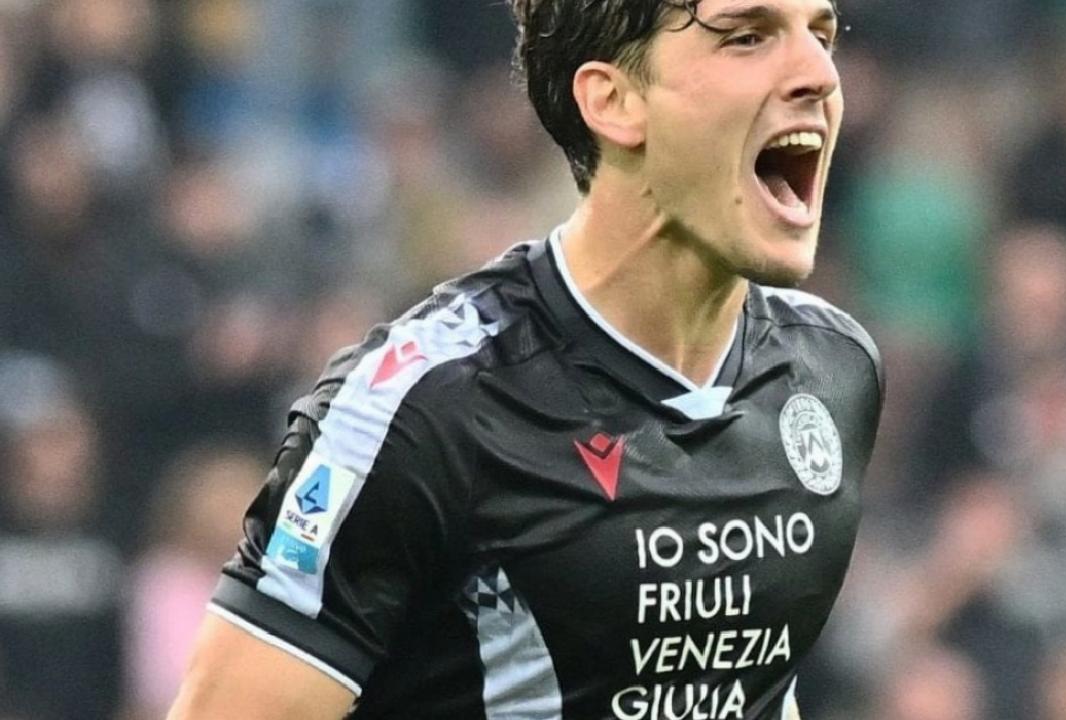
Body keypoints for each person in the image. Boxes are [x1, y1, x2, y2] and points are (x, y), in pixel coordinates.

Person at [167, 0, 884, 718]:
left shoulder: (831, 371)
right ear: (614, 101)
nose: (820, 75)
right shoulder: (423, 409)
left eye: (821, 36)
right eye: (747, 37)